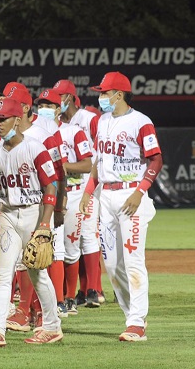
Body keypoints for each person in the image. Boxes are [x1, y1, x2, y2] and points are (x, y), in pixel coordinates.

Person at [79, 71, 162, 342]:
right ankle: (131, 318)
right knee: (113, 265)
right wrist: (88, 192)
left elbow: (155, 160)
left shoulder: (141, 122)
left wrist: (140, 192)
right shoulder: (102, 122)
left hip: (130, 197)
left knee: (134, 261)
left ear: (119, 94)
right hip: (107, 196)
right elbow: (98, 161)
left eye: (104, 92)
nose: (101, 97)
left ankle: (136, 322)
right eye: (101, 93)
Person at [0, 97, 63, 347]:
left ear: (17, 119)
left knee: (37, 274)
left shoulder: (35, 148)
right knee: (3, 275)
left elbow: (51, 185)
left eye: (3, 119)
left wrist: (45, 224)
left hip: (33, 213)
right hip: (6, 215)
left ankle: (52, 326)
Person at [33, 88, 93, 317]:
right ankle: (57, 299)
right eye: (42, 104)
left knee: (70, 250)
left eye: (49, 105)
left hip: (73, 192)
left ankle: (69, 297)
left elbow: (88, 165)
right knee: (51, 248)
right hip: (45, 194)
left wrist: (62, 169)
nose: (45, 109)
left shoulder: (74, 132)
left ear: (60, 109)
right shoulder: (36, 131)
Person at [54, 79, 103, 309]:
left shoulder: (89, 119)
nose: (57, 101)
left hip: (89, 182)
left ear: (71, 98)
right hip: (69, 186)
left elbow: (99, 150)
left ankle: (93, 289)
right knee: (72, 241)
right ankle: (81, 292)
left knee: (89, 234)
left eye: (60, 96)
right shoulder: (58, 126)